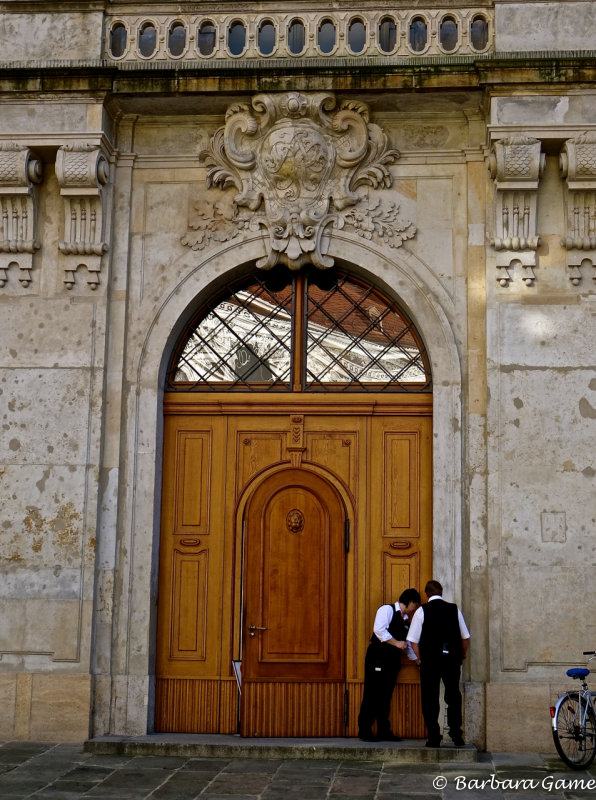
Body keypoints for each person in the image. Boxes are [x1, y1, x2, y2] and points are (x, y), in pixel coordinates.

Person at [407, 579, 470, 748]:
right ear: (441, 592)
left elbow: (412, 641)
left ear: (427, 594)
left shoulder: (422, 611)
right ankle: (456, 734)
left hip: (430, 662)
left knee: (429, 698)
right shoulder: (454, 609)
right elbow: (465, 637)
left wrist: (420, 658)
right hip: (451, 661)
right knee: (453, 696)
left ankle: (434, 736)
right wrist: (462, 654)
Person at [358, 588, 421, 742]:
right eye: (416, 605)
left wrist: (418, 660)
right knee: (372, 693)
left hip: (392, 662)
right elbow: (379, 630)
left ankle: (383, 731)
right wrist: (396, 643)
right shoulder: (387, 610)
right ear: (411, 602)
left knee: (386, 695)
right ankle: (365, 731)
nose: (416, 609)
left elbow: (406, 644)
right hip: (378, 658)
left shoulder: (406, 620)